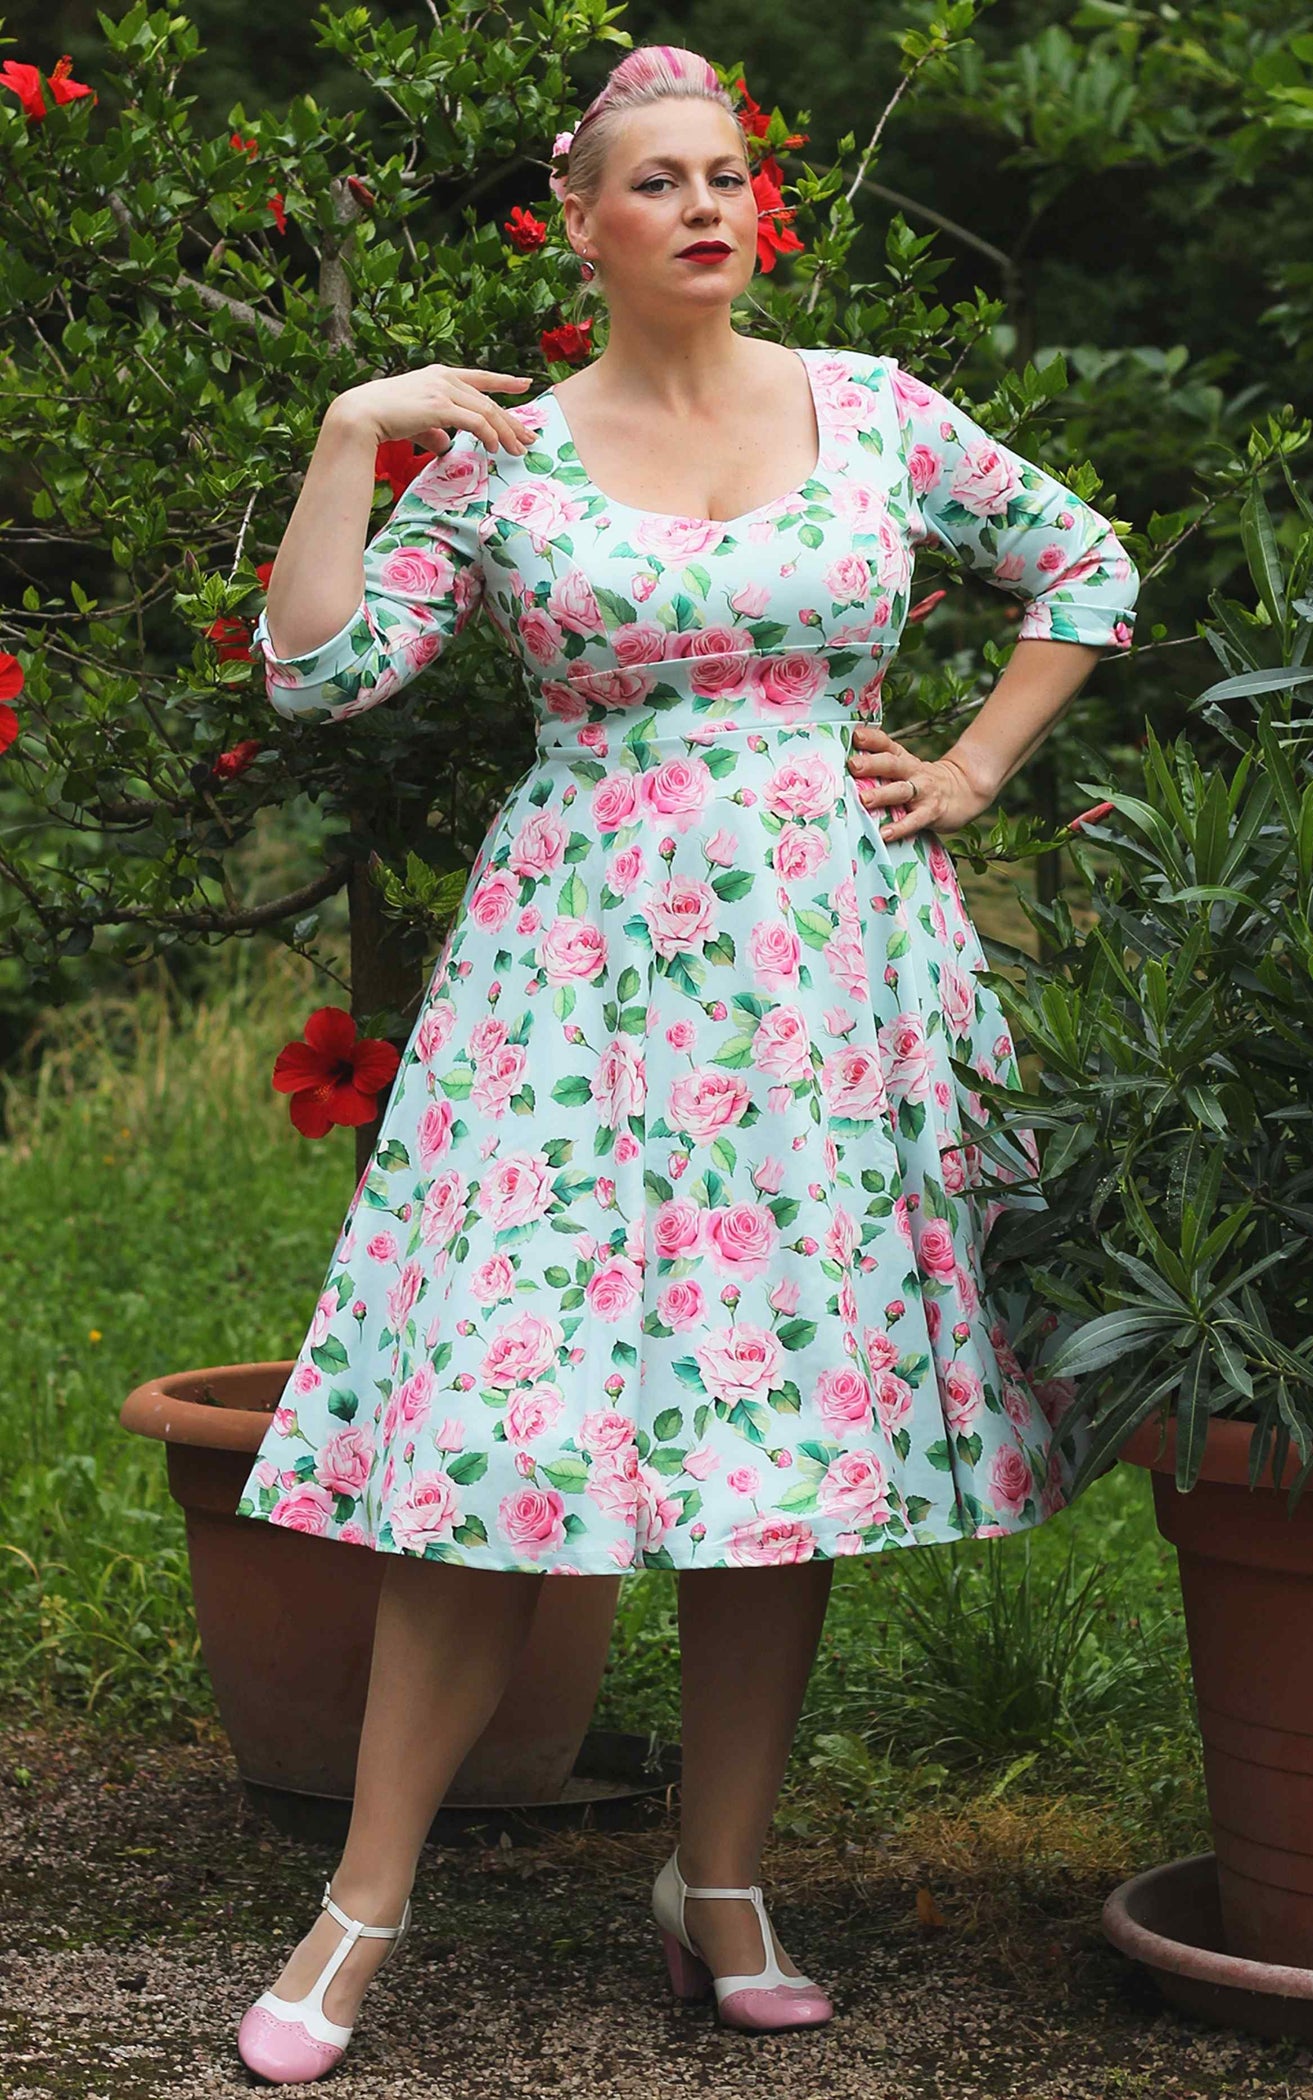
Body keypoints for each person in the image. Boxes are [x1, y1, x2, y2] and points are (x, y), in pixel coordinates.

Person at [233, 41, 1139, 2082]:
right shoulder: (512, 456)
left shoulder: (876, 414)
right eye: (657, 181)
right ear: (582, 225)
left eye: (728, 174)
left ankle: (716, 1883)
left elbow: (1085, 563)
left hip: (832, 985)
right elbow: (319, 671)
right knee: (489, 1430)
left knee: (780, 1444)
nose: (708, 206)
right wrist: (348, 431)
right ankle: (358, 1903)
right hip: (570, 995)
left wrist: (978, 762)